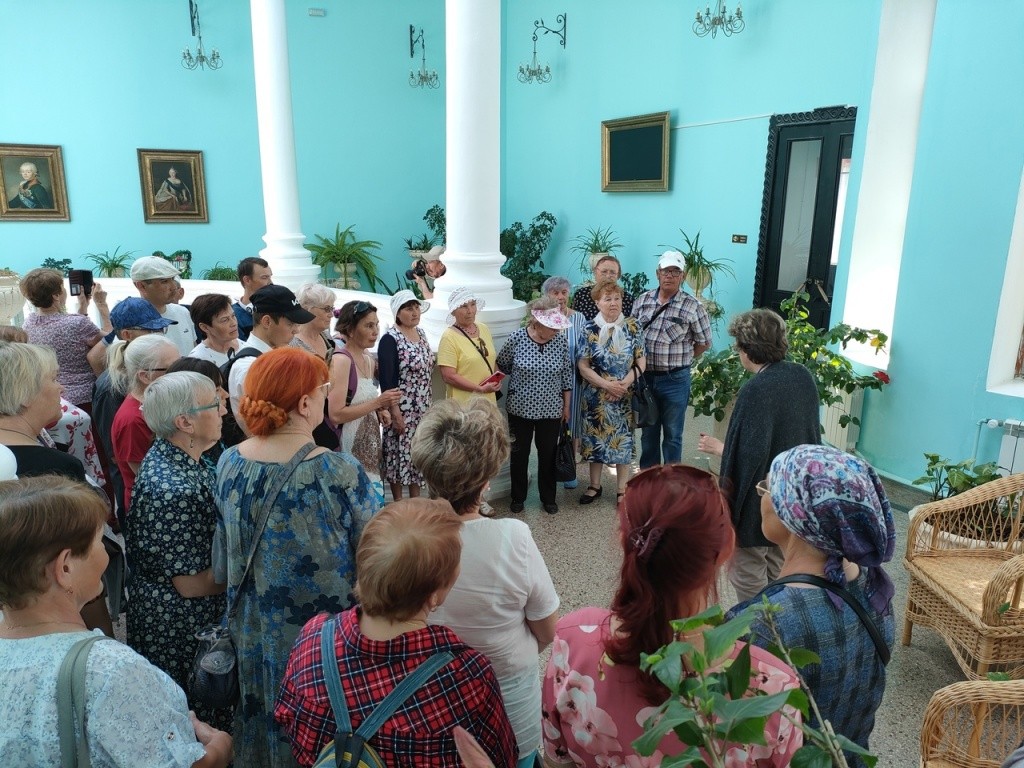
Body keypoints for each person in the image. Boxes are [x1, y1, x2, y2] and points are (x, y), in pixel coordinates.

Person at [542, 464, 802, 767]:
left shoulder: (572, 641)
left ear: (624, 540)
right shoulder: (772, 688)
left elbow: (556, 759)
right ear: (727, 546)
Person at [214, 347, 379, 768]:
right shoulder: (339, 472)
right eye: (324, 389)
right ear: (305, 403)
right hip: (323, 643)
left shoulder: (229, 462)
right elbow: (374, 558)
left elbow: (223, 556)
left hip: (251, 631)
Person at [0, 476, 233, 767]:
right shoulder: (111, 670)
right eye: (100, 540)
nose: (107, 551)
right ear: (65, 568)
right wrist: (219, 749)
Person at [275, 499, 518, 767]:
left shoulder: (313, 636)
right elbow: (500, 757)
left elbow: (287, 717)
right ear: (435, 595)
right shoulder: (467, 677)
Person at [413, 399, 560, 767]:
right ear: (486, 479)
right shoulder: (514, 537)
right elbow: (546, 629)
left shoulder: (406, 541)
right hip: (509, 706)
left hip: (430, 709)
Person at [737, 444, 896, 765]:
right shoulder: (876, 589)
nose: (762, 495)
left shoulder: (764, 625)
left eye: (769, 487)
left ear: (795, 514)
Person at [126, 372, 230, 727]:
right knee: (194, 725)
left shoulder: (182, 457)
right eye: (214, 404)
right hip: (180, 629)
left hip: (183, 618)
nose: (223, 411)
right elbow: (191, 584)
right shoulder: (173, 489)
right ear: (185, 422)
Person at [697, 308, 822, 601]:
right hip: (792, 495)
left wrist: (730, 513)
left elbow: (747, 459)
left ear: (747, 349)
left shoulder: (755, 390)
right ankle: (782, 615)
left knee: (747, 571)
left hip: (759, 499)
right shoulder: (802, 376)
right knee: (780, 562)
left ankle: (759, 623)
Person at [92, 297, 175, 525]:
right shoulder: (112, 386)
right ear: (127, 334)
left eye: (161, 329)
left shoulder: (154, 372)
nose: (159, 335)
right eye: (151, 330)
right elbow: (115, 453)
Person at [631, 250, 712, 468]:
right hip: (645, 379)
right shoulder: (642, 301)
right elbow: (631, 336)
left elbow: (704, 342)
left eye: (676, 271)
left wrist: (683, 360)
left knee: (673, 434)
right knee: (648, 434)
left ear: (682, 276)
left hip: (675, 380)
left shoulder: (693, 306)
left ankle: (671, 479)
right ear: (658, 273)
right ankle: (649, 478)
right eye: (666, 270)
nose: (670, 275)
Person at [496, 296, 573, 514]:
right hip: (519, 409)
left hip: (551, 409)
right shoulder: (517, 338)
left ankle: (548, 498)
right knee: (519, 455)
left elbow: (566, 376)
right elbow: (502, 365)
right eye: (552, 326)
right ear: (537, 323)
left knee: (548, 454)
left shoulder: (560, 342)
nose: (556, 330)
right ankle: (518, 497)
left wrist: (566, 407)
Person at [577, 281, 646, 505]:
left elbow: (641, 362)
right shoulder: (589, 328)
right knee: (595, 439)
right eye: (607, 299)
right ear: (597, 302)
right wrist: (607, 386)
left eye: (617, 298)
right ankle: (594, 485)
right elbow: (583, 366)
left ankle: (622, 489)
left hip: (624, 395)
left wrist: (622, 386)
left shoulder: (633, 326)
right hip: (595, 396)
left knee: (623, 440)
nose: (613, 303)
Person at [226, 284, 314, 438]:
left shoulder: (272, 357)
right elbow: (262, 428)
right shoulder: (251, 367)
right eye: (290, 323)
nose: (296, 330)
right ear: (267, 322)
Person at [326, 301, 400, 484]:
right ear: (351, 330)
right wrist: (378, 402)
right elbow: (335, 415)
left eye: (376, 324)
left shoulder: (368, 360)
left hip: (370, 447)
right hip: (348, 448)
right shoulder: (341, 361)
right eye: (368, 326)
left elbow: (362, 399)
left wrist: (379, 410)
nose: (375, 331)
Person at [20, 267, 111, 408]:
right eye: (62, 287)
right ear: (56, 295)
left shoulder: (28, 324)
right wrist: (101, 304)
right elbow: (108, 340)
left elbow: (72, 330)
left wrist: (83, 307)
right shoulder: (77, 323)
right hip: (84, 399)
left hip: (53, 399)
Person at [109, 335, 181, 510]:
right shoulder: (133, 420)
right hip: (154, 507)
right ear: (145, 376)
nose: (182, 372)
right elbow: (148, 476)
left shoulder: (158, 403)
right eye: (173, 368)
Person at [377, 290, 434, 501]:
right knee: (398, 454)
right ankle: (399, 503)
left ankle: (416, 501)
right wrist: (395, 412)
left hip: (422, 408)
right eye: (409, 309)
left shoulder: (422, 334)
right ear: (397, 313)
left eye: (416, 307)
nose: (415, 312)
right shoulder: (390, 339)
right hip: (402, 408)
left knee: (417, 454)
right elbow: (387, 379)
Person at [543, 276, 588, 489]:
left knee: (571, 426)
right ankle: (548, 471)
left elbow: (585, 350)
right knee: (549, 428)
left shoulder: (579, 318)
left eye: (564, 292)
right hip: (547, 383)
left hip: (574, 382)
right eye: (555, 293)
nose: (560, 297)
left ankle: (569, 469)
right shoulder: (542, 318)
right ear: (547, 295)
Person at [437, 287, 502, 403]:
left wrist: (497, 378)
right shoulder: (449, 337)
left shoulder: (483, 328)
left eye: (473, 304)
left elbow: (491, 358)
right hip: (463, 403)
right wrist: (479, 389)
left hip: (488, 399)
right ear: (453, 311)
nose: (470, 311)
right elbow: (449, 376)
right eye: (464, 306)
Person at [130, 256, 196, 356]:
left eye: (172, 279)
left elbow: (193, 350)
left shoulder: (183, 312)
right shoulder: (130, 321)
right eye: (164, 281)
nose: (173, 287)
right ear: (141, 286)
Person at [570, 254, 634, 321]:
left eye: (612, 272)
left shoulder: (628, 299)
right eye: (604, 271)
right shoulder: (581, 295)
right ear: (595, 273)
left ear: (618, 275)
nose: (608, 276)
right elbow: (573, 321)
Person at [188, 293, 240, 366]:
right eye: (225, 320)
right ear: (205, 327)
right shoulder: (198, 360)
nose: (234, 323)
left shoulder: (247, 348)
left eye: (233, 316)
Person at [290, 282, 336, 362]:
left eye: (332, 309)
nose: (331, 315)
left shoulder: (326, 336)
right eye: (327, 309)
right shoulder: (292, 344)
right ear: (306, 309)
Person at [232, 257, 273, 342]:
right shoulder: (233, 316)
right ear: (247, 280)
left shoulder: (277, 308)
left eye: (270, 277)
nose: (271, 283)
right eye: (264, 277)